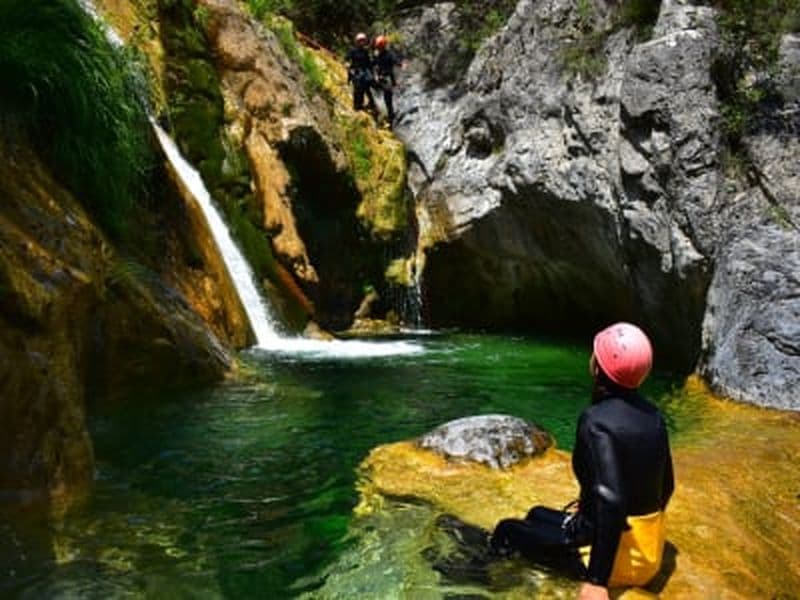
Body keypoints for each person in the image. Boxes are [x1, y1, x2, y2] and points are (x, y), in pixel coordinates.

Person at [490, 322, 674, 600]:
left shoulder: (595, 422)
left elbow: (611, 500)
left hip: (612, 562)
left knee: (506, 531)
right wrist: (591, 508)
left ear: (598, 367)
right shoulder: (653, 416)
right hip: (648, 553)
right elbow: (666, 486)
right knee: (536, 514)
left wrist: (597, 581)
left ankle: (483, 588)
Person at [372, 35, 402, 126]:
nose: (379, 48)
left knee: (387, 97)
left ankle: (391, 115)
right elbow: (373, 63)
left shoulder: (389, 54)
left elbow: (395, 60)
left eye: (379, 47)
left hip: (387, 78)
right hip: (381, 77)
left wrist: (400, 64)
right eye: (378, 47)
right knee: (374, 89)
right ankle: (381, 110)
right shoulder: (377, 55)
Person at [346, 32, 376, 114]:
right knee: (357, 89)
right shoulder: (352, 50)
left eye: (363, 41)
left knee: (365, 88)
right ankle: (357, 106)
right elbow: (347, 58)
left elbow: (368, 63)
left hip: (364, 72)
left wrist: (372, 72)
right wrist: (347, 64)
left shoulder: (365, 51)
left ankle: (367, 104)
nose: (362, 42)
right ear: (357, 42)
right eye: (360, 41)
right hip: (356, 72)